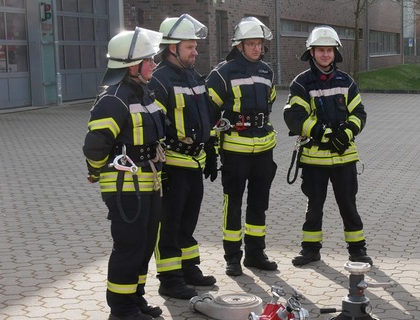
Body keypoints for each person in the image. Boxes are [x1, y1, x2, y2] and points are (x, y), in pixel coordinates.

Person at [82, 27, 166, 320]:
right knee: (129, 246)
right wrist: (97, 171)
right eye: (150, 60)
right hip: (125, 187)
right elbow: (95, 146)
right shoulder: (113, 99)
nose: (154, 64)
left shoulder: (143, 93)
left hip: (147, 183)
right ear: (133, 66)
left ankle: (135, 298)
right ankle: (120, 308)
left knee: (144, 244)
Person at [283, 26, 373, 267]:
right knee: (314, 208)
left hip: (345, 158)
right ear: (311, 53)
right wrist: (323, 133)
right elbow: (295, 116)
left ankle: (357, 250)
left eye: (329, 50)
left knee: (349, 206)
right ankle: (310, 250)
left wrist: (347, 132)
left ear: (335, 53)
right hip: (314, 160)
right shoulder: (301, 84)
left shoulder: (347, 82)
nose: (325, 55)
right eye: (320, 50)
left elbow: (359, 113)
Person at [148, 14, 216, 300]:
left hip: (194, 161)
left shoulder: (193, 76)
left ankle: (189, 268)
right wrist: (159, 166)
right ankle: (170, 278)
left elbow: (204, 116)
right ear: (172, 48)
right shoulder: (159, 81)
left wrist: (210, 147)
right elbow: (154, 126)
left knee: (188, 221)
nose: (195, 52)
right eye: (190, 47)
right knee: (170, 222)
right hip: (173, 165)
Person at [205, 17, 279, 277]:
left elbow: (268, 105)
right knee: (233, 203)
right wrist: (211, 152)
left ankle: (256, 254)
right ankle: (233, 257)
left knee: (259, 203)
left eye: (259, 43)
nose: (256, 48)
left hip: (263, 149)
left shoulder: (266, 72)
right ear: (239, 45)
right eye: (251, 44)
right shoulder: (222, 73)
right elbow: (209, 113)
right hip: (235, 150)